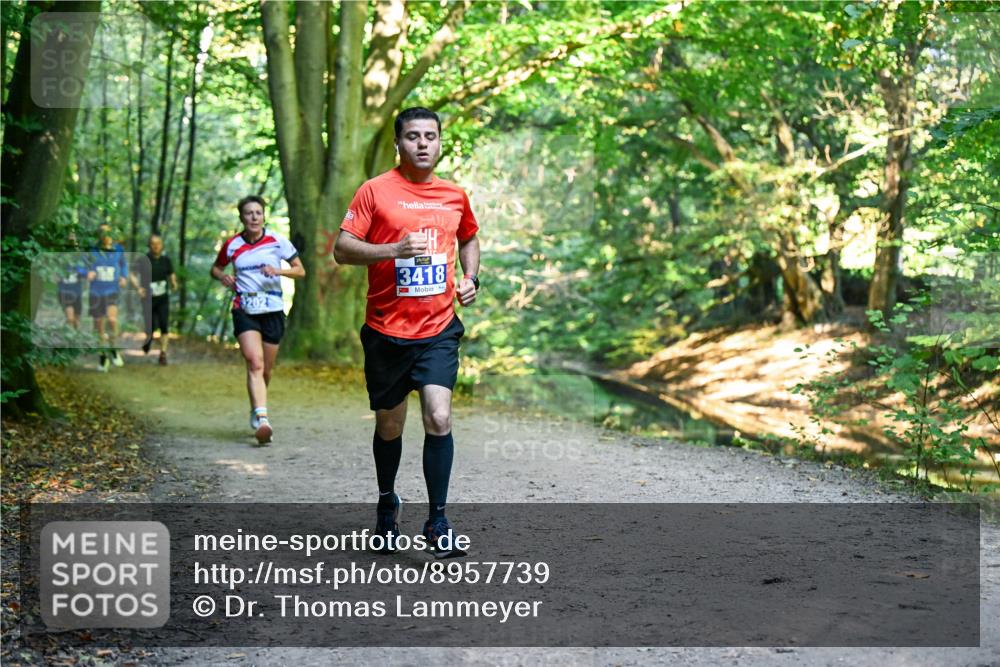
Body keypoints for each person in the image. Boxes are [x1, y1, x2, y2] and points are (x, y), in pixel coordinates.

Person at [334, 107, 481, 558]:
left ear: (440, 143)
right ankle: (386, 501)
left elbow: (469, 238)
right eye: (413, 136)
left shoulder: (454, 195)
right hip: (385, 330)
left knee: (438, 417)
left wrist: (471, 278)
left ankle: (438, 520)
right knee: (390, 425)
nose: (422, 143)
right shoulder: (374, 191)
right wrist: (393, 248)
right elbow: (342, 249)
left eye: (431, 136)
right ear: (399, 143)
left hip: (437, 329)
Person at [211, 196, 305, 445]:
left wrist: (279, 271)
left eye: (258, 213)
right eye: (248, 213)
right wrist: (224, 277)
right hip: (244, 308)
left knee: (266, 370)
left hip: (272, 309)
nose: (254, 217)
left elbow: (300, 270)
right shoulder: (232, 244)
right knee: (254, 362)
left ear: (264, 216)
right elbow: (216, 268)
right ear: (241, 217)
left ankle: (256, 406)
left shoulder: (277, 241)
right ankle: (263, 419)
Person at [87, 224, 128, 372]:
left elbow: (123, 264)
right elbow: (82, 265)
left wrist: (124, 276)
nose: (105, 235)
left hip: (112, 290)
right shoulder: (93, 250)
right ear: (99, 235)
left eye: (108, 232)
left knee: (112, 320)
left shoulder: (118, 249)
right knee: (99, 326)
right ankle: (102, 358)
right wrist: (88, 272)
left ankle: (114, 349)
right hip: (96, 292)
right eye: (102, 232)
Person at [135, 234, 178, 365]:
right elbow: (132, 274)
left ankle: (163, 354)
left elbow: (171, 273)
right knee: (151, 326)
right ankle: (149, 338)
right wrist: (138, 288)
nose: (156, 246)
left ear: (162, 245)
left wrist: (174, 283)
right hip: (148, 299)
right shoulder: (143, 260)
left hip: (163, 298)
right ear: (149, 245)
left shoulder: (166, 260)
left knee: (164, 325)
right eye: (153, 243)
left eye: (158, 243)